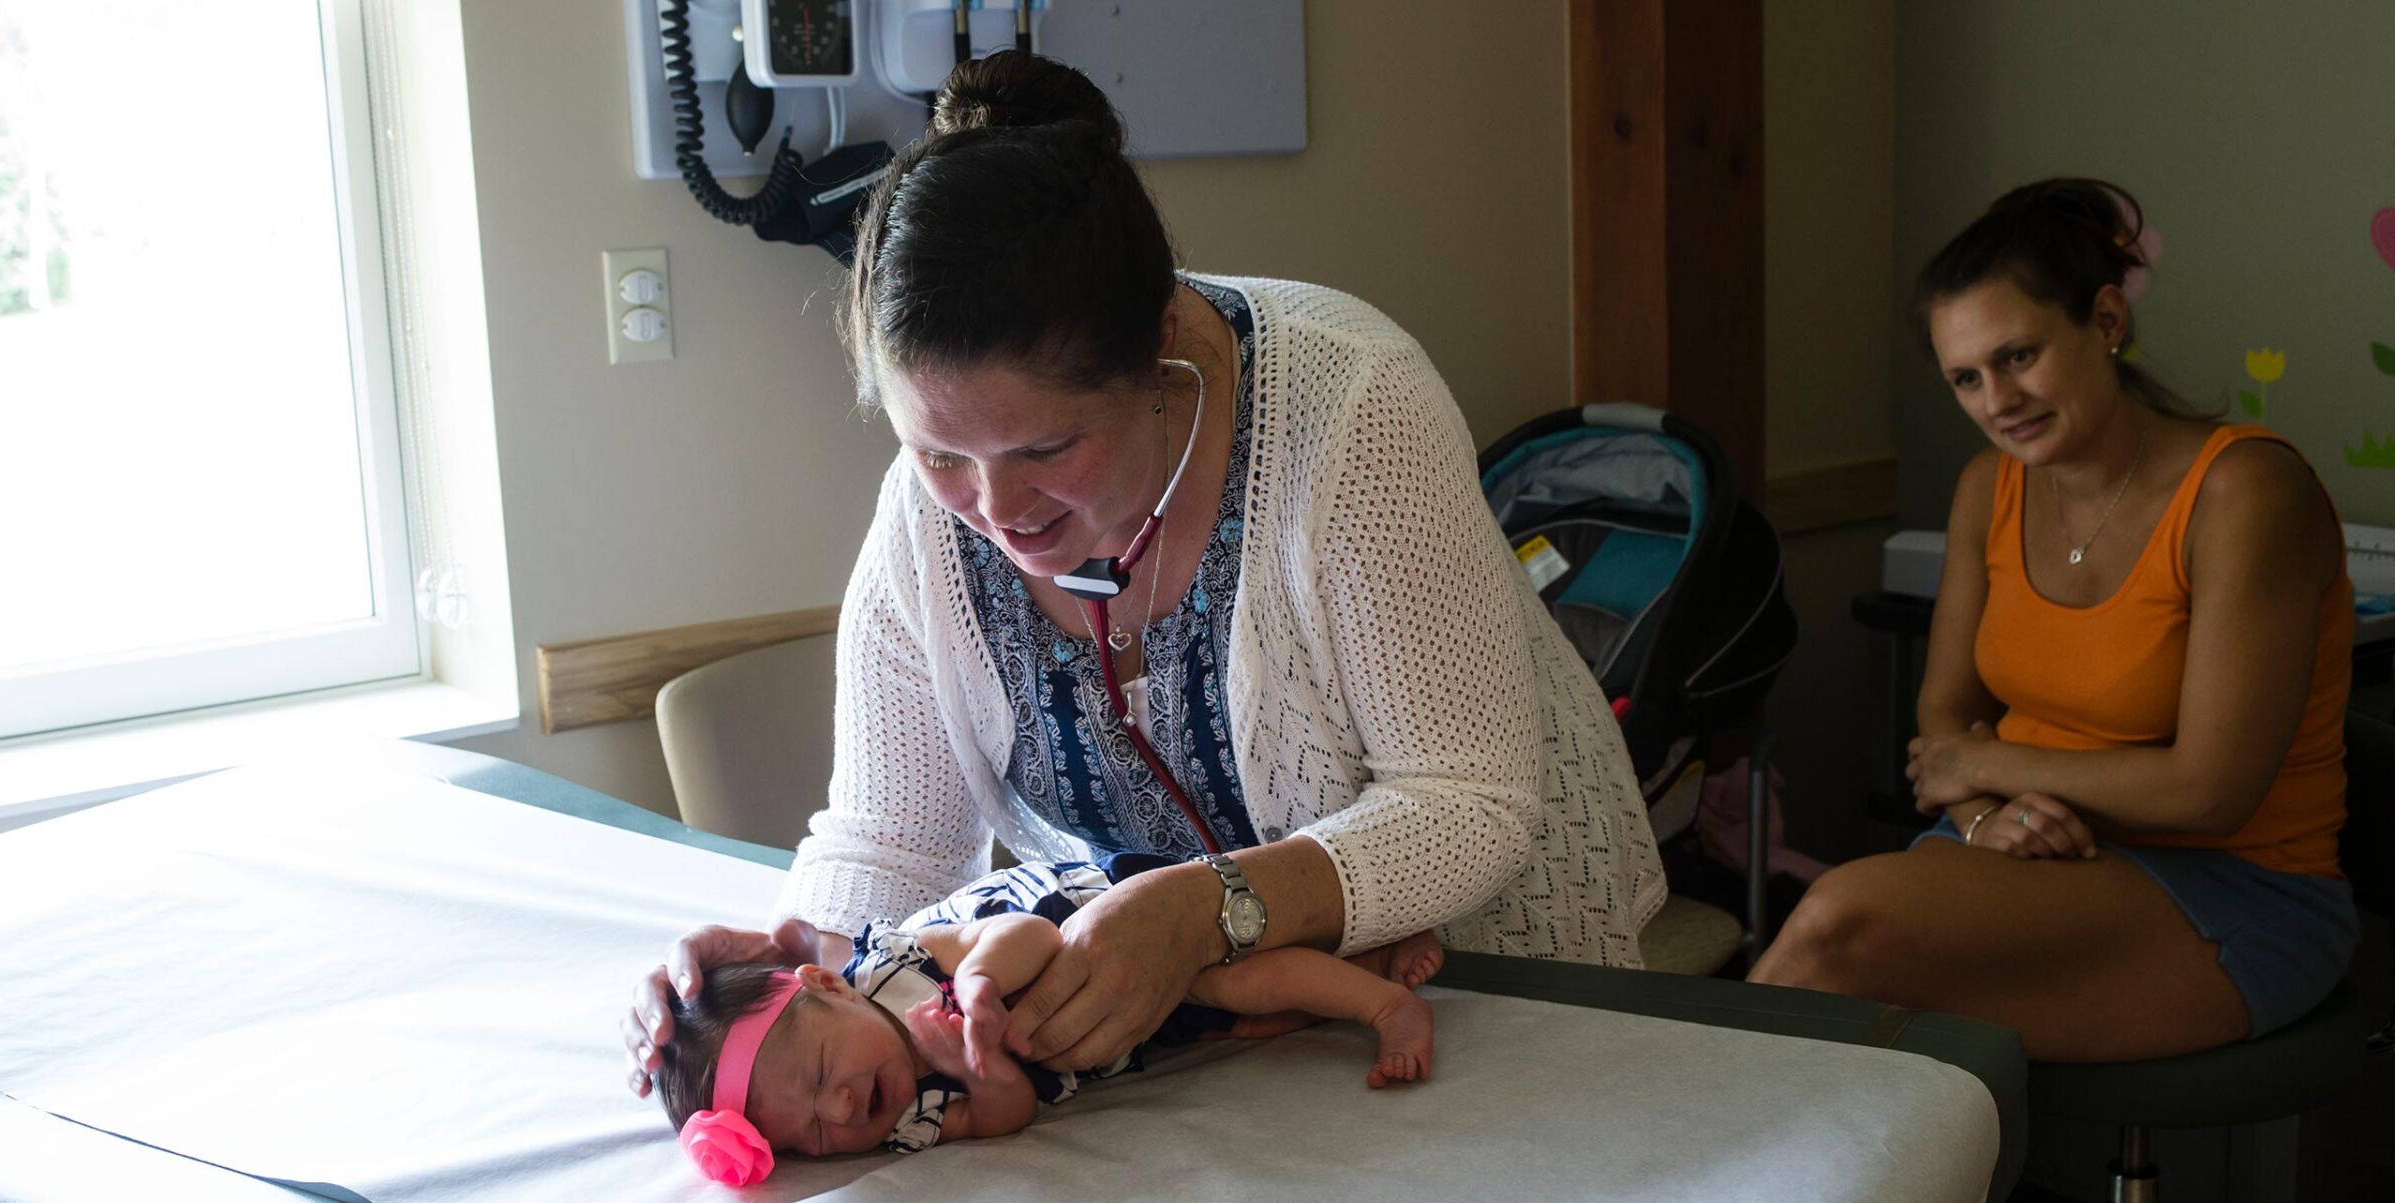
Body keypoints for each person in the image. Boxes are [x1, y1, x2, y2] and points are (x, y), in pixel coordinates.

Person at [619, 51, 1665, 1098]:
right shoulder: (925, 523)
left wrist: (1205, 907)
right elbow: (895, 836)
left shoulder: (1351, 415)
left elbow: (1466, 800)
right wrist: (791, 973)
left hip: (1484, 985)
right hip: (1218, 1046)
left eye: (1045, 452)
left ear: (1160, 348)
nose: (995, 512)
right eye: (939, 454)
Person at [1750, 178, 2357, 1062]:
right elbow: (1943, 713)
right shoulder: (1984, 488)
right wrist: (1980, 813)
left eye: (2019, 355)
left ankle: (1665, 1181)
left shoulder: (2246, 491)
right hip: (2023, 845)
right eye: (1966, 376)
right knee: (1842, 992)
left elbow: (2209, 790)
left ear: (2106, 323)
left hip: (2237, 887)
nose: (1997, 399)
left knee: (1838, 931)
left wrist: (1986, 762)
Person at [655, 857, 1447, 1185]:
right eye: (812, 1136)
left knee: (1228, 970)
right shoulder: (912, 1120)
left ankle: (1385, 1000)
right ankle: (1367, 969)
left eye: (822, 1074)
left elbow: (1026, 932)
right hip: (1119, 1032)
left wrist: (979, 979)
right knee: (1238, 1013)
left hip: (1107, 920)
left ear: (829, 986)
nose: (838, 1109)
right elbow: (1008, 1114)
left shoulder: (892, 966)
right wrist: (978, 1073)